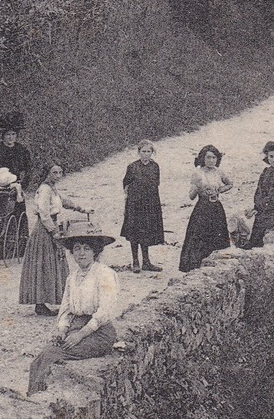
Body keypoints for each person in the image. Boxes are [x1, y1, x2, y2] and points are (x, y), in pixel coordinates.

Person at [27, 230, 121, 396]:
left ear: (95, 251)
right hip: (75, 328)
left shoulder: (105, 274)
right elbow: (66, 309)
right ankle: (32, 400)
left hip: (99, 333)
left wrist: (81, 335)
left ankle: (38, 398)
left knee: (51, 355)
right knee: (38, 359)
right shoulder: (73, 277)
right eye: (77, 249)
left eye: (86, 248)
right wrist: (62, 330)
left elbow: (104, 311)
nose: (81, 253)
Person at [20, 163, 88, 314]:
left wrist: (80, 209)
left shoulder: (52, 188)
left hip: (52, 226)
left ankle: (51, 300)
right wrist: (53, 231)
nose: (58, 175)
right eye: (54, 173)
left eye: (60, 172)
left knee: (53, 263)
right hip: (45, 230)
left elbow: (64, 201)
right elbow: (44, 214)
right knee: (44, 264)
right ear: (47, 174)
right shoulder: (44, 190)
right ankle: (40, 304)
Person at [178, 144, 233, 272]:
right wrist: (197, 187)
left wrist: (219, 190)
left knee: (218, 234)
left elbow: (230, 184)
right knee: (199, 235)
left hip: (216, 207)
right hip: (202, 208)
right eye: (208, 158)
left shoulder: (219, 172)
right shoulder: (197, 173)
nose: (211, 161)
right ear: (202, 158)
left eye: (214, 158)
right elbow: (191, 197)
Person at [121, 140, 165, 273]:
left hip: (150, 203)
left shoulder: (155, 166)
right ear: (139, 152)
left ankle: (146, 262)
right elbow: (126, 184)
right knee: (134, 232)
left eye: (148, 152)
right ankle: (135, 261)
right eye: (143, 151)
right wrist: (128, 202)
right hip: (134, 204)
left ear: (152, 152)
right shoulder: (132, 167)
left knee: (146, 231)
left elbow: (155, 184)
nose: (146, 154)